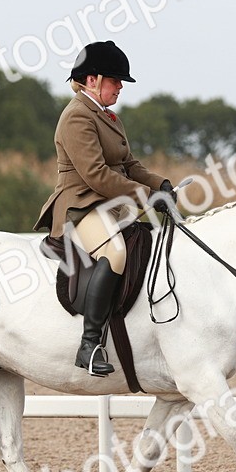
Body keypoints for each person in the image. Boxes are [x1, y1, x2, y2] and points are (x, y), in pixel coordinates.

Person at [34, 40, 175, 377]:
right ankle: (90, 343)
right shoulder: (76, 117)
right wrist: (145, 195)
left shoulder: (108, 117)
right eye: (115, 80)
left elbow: (129, 164)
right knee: (115, 253)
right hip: (80, 206)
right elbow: (96, 175)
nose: (121, 87)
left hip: (109, 205)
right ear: (92, 79)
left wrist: (160, 184)